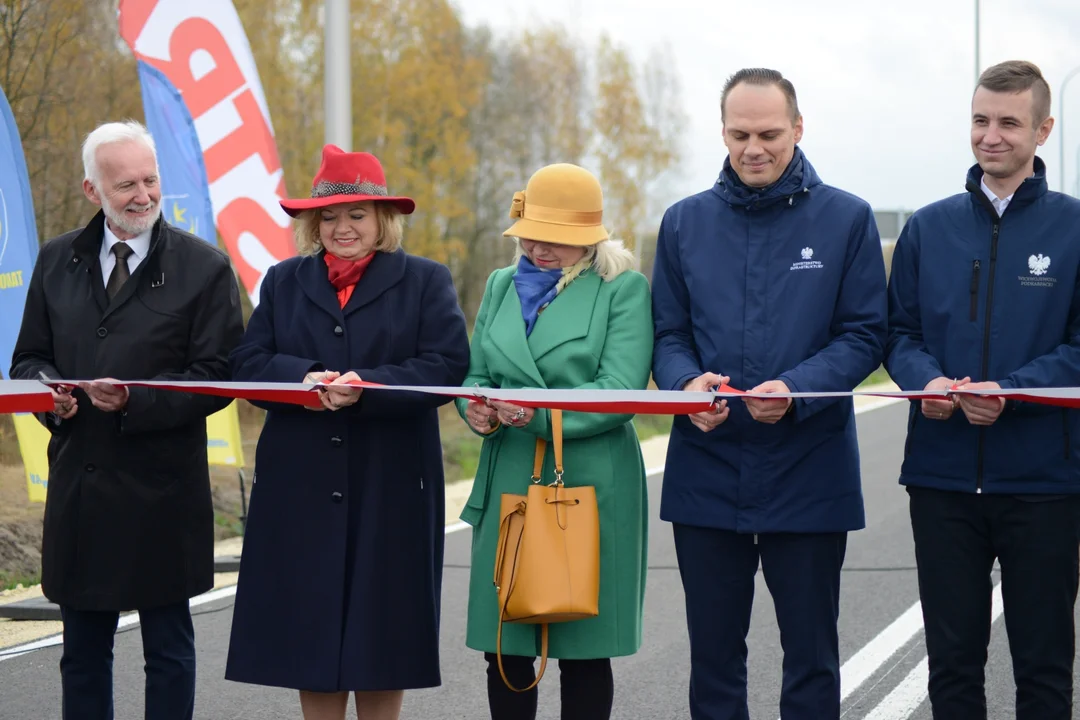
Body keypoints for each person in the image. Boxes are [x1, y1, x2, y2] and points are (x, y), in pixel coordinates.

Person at [650, 68, 888, 719]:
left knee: (812, 658)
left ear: (799, 128)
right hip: (707, 466)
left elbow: (867, 334)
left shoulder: (847, 219)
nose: (754, 148)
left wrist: (801, 388)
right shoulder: (683, 223)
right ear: (722, 131)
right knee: (715, 660)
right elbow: (667, 334)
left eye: (770, 134)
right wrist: (684, 383)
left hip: (810, 467)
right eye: (740, 133)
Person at [223, 144, 471, 720]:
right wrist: (301, 379)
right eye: (329, 217)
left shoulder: (426, 281)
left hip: (392, 485)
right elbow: (248, 363)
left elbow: (445, 366)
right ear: (313, 223)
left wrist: (371, 385)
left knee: (382, 635)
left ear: (383, 219)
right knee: (312, 635)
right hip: (300, 487)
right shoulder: (283, 282)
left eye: (357, 215)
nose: (342, 228)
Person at [8, 120, 244, 720]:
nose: (143, 196)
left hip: (162, 494)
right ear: (92, 191)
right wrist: (49, 397)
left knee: (168, 651)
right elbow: (29, 358)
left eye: (150, 180)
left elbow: (217, 378)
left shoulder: (205, 268)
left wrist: (137, 402)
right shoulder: (57, 259)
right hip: (80, 490)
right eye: (125, 186)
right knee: (82, 653)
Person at [885, 60, 1080, 720]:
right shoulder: (927, 228)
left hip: (1045, 484)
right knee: (953, 668)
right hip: (941, 481)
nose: (990, 136)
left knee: (1045, 667)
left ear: (1043, 129)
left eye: (1008, 122)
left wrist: (1013, 391)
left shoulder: (1074, 229)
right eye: (979, 120)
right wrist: (926, 380)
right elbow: (899, 334)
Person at [456, 163, 653, 720]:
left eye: (561, 240)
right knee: (506, 643)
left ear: (591, 239)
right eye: (533, 235)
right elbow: (474, 375)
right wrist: (476, 409)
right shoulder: (499, 284)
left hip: (590, 476)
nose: (542, 249)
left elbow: (620, 389)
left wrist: (535, 412)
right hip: (511, 468)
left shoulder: (623, 288)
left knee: (582, 646)